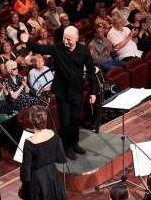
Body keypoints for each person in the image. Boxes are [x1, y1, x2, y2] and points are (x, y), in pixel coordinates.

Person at [23, 25, 97, 159]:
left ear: (76, 38)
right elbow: (40, 48)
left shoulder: (84, 50)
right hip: (62, 92)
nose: (66, 41)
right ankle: (67, 147)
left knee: (75, 119)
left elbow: (91, 71)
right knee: (65, 120)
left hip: (77, 91)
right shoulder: (57, 48)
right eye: (64, 38)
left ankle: (74, 143)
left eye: (69, 39)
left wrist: (93, 92)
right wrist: (27, 41)